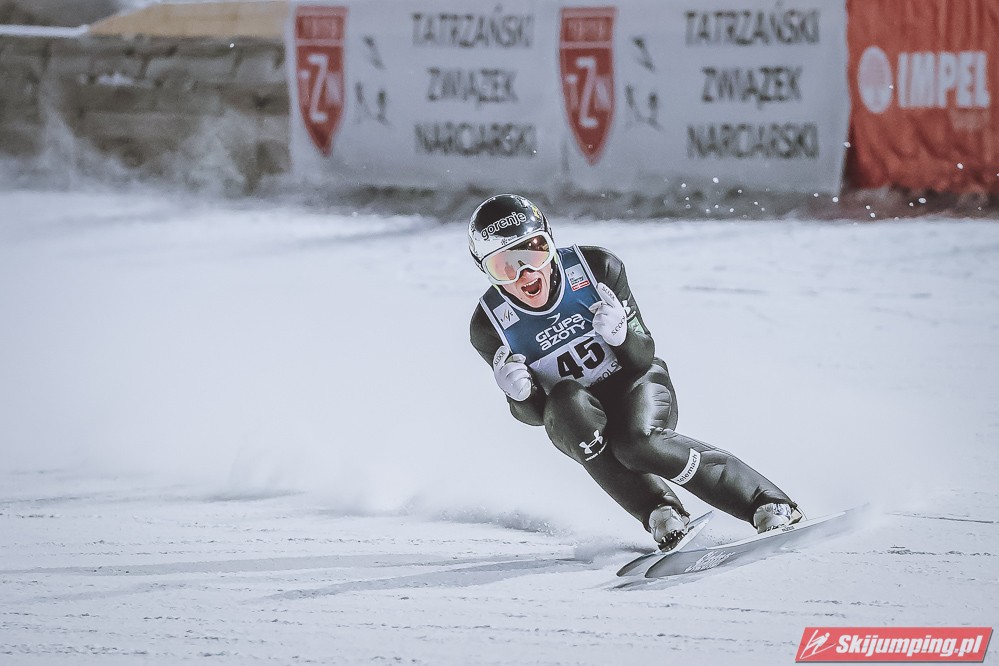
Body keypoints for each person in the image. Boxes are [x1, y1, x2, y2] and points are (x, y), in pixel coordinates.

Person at [467, 194, 802, 549]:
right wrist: (521, 397)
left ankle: (766, 501)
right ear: (485, 272)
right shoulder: (489, 326)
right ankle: (661, 513)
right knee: (565, 404)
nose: (525, 274)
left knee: (637, 443)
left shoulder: (596, 267)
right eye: (504, 266)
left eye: (534, 252)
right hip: (577, 413)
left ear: (551, 244)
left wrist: (623, 335)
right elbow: (540, 416)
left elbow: (642, 357)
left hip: (637, 383)